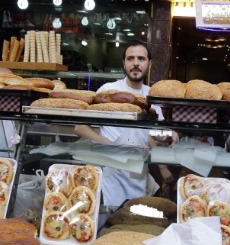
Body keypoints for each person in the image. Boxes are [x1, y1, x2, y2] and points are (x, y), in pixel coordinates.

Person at [74, 41, 176, 208]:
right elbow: (80, 127)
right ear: (124, 63)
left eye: (141, 59)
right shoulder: (108, 91)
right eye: (130, 58)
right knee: (110, 219)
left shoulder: (152, 97)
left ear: (149, 64)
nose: (135, 63)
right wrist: (107, 143)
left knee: (134, 221)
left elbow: (152, 137)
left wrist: (163, 164)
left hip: (137, 173)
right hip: (109, 173)